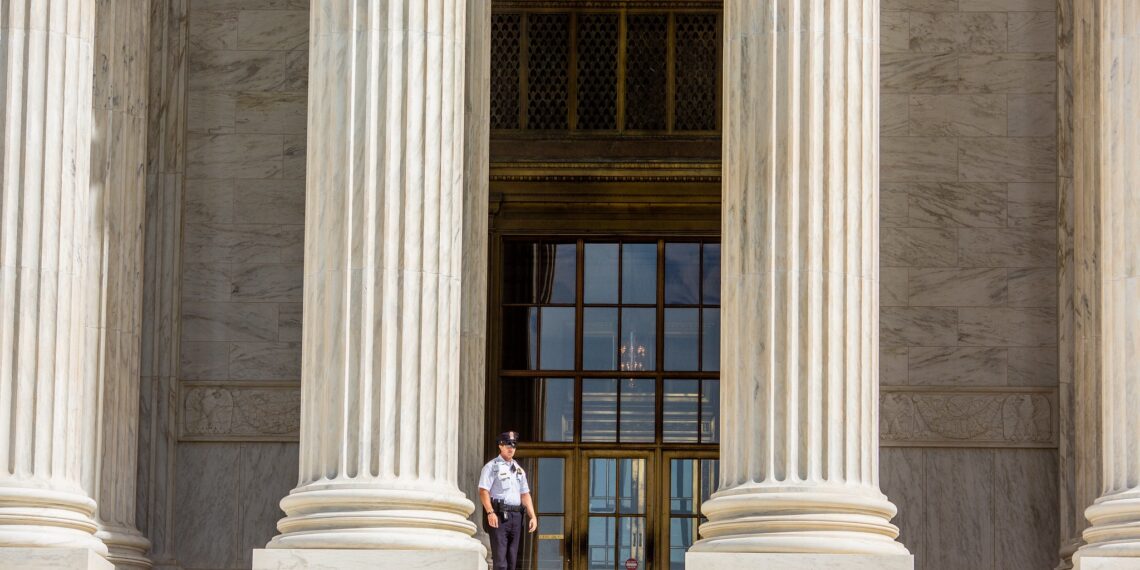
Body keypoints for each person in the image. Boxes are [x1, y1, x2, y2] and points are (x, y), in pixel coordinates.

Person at [478, 431, 538, 570]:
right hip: (499, 516)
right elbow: (483, 491)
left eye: (514, 445)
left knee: (512, 560)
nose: (511, 448)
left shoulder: (518, 469)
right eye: (507, 444)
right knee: (500, 561)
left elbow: (525, 494)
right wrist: (490, 512)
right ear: (500, 446)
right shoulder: (491, 467)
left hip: (516, 517)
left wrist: (533, 516)